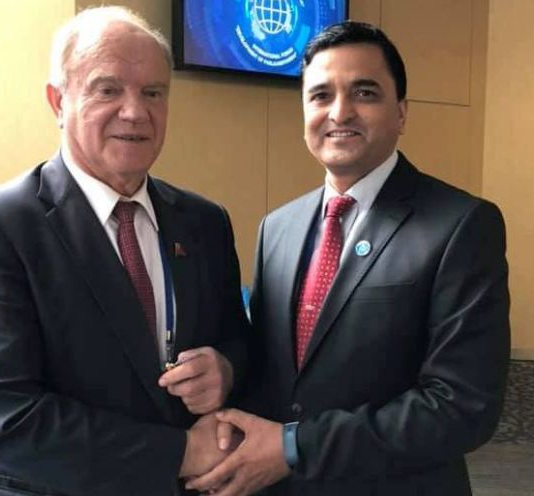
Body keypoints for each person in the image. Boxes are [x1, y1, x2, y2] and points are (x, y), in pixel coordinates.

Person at [187, 21, 510, 496]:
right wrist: (226, 370)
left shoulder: (461, 225)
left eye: (365, 92)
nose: (340, 112)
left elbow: (462, 406)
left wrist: (295, 446)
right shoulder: (277, 228)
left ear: (401, 112)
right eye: (320, 95)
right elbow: (270, 366)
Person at [0, 6, 249, 496]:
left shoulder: (205, 222)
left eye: (153, 92)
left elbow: (241, 341)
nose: (135, 111)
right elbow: (5, 415)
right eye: (107, 90)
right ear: (58, 101)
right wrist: (182, 452)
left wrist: (226, 369)